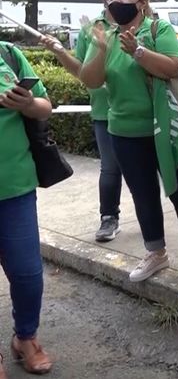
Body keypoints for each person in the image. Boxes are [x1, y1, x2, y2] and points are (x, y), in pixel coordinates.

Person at [78, 0, 178, 282]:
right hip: (124, 131)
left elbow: (172, 67)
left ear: (141, 1)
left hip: (164, 127)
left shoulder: (159, 29)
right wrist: (101, 49)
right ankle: (156, 253)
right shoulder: (104, 36)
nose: (116, 0)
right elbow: (89, 81)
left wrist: (138, 52)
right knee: (143, 194)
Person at [39, 0, 129, 243]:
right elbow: (81, 71)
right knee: (110, 168)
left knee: (143, 170)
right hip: (104, 112)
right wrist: (60, 52)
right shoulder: (92, 28)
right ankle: (108, 218)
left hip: (139, 112)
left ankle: (153, 224)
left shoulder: (143, 24)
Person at [0, 41, 54, 375]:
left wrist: (27, 103)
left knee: (27, 273)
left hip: (15, 185)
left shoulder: (7, 53)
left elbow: (45, 106)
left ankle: (26, 338)